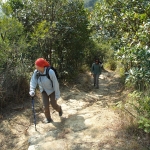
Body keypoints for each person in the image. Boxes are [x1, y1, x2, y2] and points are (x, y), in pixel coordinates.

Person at [29, 58, 63, 123]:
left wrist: (57, 94)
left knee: (54, 105)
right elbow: (33, 81)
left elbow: (56, 83)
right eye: (36, 65)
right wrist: (32, 90)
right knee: (45, 106)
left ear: (42, 66)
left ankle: (59, 109)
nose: (36, 67)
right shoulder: (36, 72)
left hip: (52, 90)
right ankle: (48, 118)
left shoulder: (50, 72)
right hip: (44, 91)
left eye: (37, 65)